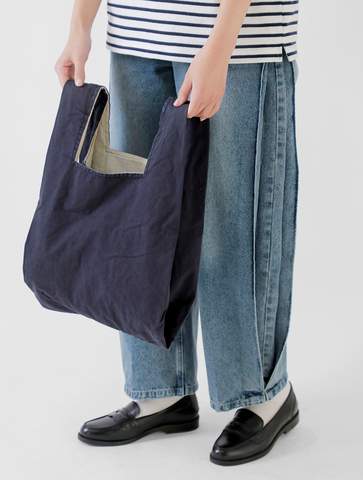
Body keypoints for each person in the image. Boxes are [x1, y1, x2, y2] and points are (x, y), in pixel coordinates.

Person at [55, 0, 300, 466]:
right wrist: (80, 23)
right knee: (143, 225)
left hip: (237, 44)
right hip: (136, 35)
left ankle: (264, 396)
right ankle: (161, 392)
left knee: (233, 227)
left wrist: (220, 46)